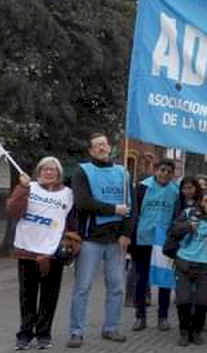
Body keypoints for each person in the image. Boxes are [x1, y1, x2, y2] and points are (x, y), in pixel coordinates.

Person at [67, 133, 135, 348]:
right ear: (90, 150)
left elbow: (131, 208)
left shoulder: (123, 173)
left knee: (116, 287)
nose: (102, 148)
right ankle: (76, 332)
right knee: (82, 287)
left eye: (105, 144)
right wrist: (113, 209)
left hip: (116, 241)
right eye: (97, 145)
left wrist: (126, 234)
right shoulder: (82, 171)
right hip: (90, 239)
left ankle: (111, 328)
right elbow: (82, 202)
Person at [7, 157, 77, 351]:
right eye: (45, 169)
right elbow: (12, 210)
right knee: (27, 295)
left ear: (59, 173)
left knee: (49, 295)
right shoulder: (28, 187)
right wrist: (21, 188)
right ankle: (25, 334)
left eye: (53, 169)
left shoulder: (68, 194)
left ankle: (44, 334)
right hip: (27, 249)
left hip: (52, 252)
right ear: (39, 171)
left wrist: (71, 241)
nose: (49, 172)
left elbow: (71, 221)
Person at [169, 188, 207, 346]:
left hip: (206, 266)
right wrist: (188, 227)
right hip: (184, 262)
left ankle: (196, 331)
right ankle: (184, 332)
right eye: (206, 201)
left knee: (203, 302)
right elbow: (173, 231)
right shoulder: (189, 214)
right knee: (183, 300)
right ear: (201, 203)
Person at [130, 159, 179, 333]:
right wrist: (131, 238)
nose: (165, 174)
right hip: (143, 239)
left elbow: (177, 216)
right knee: (141, 280)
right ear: (155, 170)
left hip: (164, 243)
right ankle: (140, 317)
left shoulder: (175, 191)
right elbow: (133, 213)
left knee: (164, 281)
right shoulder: (142, 188)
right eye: (162, 170)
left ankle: (163, 317)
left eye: (168, 171)